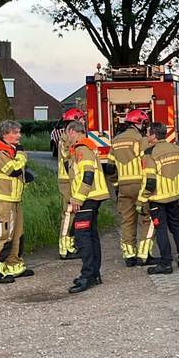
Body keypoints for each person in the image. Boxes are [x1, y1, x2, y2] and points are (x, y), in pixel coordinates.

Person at [138, 122, 179, 274]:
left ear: (154, 136)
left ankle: (166, 263)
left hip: (157, 200)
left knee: (161, 229)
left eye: (148, 134)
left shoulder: (149, 153)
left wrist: (141, 201)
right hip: (174, 197)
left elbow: (150, 182)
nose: (147, 136)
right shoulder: (177, 149)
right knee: (176, 226)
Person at [0, 119, 34, 284]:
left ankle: (13, 266)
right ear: (5, 134)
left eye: (19, 132)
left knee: (17, 234)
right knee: (1, 234)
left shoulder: (10, 150)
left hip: (13, 199)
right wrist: (21, 155)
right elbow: (12, 170)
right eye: (14, 132)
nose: (18, 136)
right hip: (1, 199)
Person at [67, 120, 111, 293]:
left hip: (87, 198)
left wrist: (78, 198)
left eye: (66, 134)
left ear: (71, 131)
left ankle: (88, 276)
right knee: (91, 236)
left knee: (82, 237)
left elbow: (87, 174)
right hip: (93, 197)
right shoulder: (88, 147)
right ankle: (94, 274)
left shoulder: (81, 149)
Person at [111, 109, 151, 266]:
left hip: (123, 186)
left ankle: (129, 256)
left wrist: (116, 185)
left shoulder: (116, 141)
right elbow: (147, 162)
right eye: (144, 123)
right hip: (140, 185)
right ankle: (144, 254)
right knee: (147, 218)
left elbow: (110, 167)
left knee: (127, 220)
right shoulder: (141, 140)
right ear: (138, 123)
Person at [56, 108, 84, 260]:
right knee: (68, 213)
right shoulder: (67, 137)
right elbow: (69, 157)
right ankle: (65, 248)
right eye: (81, 119)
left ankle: (70, 244)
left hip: (68, 179)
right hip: (67, 181)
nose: (84, 122)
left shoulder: (66, 135)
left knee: (72, 213)